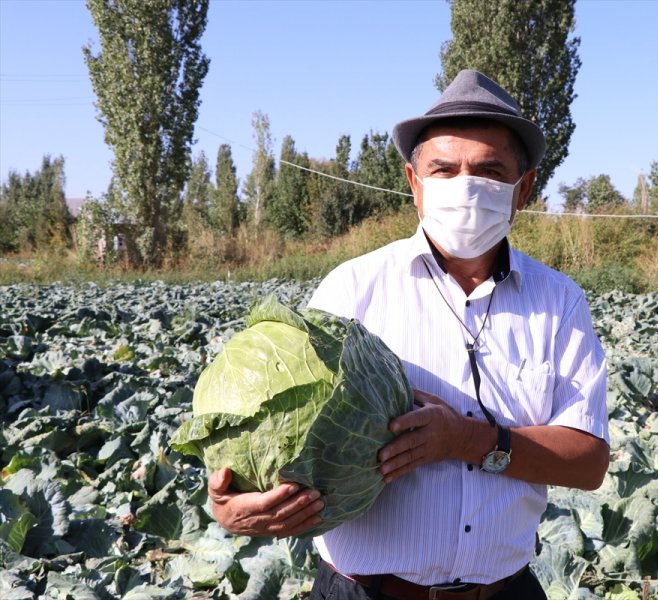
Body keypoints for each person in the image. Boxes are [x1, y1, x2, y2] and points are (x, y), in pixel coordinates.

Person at [208, 69, 610, 600]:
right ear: (414, 183)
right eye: (443, 169)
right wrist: (234, 506)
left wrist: (466, 439)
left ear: (524, 188)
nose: (464, 186)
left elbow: (588, 462)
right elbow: (279, 420)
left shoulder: (558, 302)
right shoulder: (354, 289)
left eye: (489, 171)